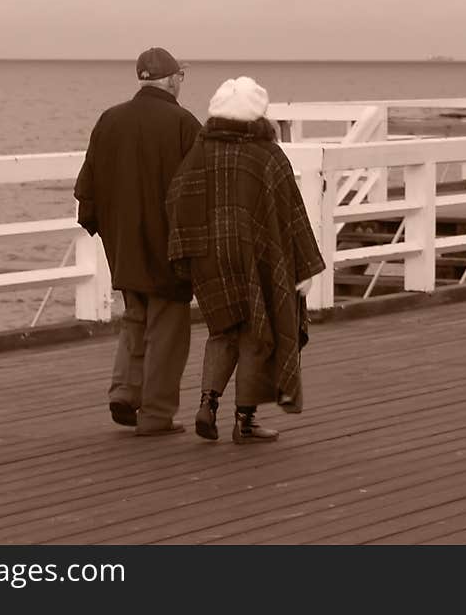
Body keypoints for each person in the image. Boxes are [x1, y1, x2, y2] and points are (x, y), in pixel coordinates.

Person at [166, 76, 326, 444]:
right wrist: (304, 267)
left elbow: (177, 197)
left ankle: (208, 404)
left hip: (209, 257)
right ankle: (245, 421)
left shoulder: (199, 151)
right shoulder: (266, 154)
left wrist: (187, 252)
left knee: (222, 330)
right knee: (258, 332)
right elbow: (291, 213)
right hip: (257, 256)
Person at [74, 47, 202, 436]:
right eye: (181, 75)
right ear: (172, 79)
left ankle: (126, 391)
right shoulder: (184, 124)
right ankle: (156, 414)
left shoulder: (110, 120)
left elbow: (87, 190)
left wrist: (109, 232)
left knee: (135, 316)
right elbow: (198, 191)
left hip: (123, 243)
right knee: (168, 325)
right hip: (169, 245)